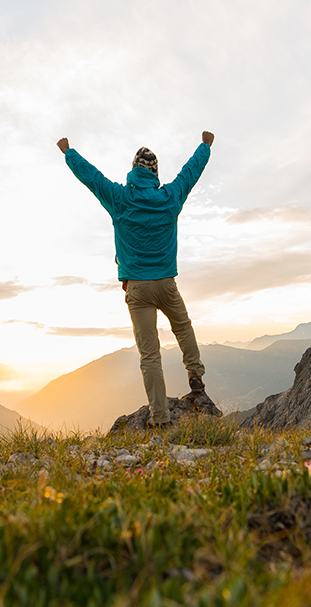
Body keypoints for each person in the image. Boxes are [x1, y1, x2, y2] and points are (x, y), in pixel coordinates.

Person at [56, 131, 215, 427]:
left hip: (138, 289)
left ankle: (160, 418)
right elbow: (190, 172)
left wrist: (69, 152)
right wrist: (205, 146)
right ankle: (195, 373)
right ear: (154, 173)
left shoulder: (119, 198)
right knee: (183, 326)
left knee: (150, 355)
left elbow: (92, 177)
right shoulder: (170, 196)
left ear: (133, 170)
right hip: (167, 283)